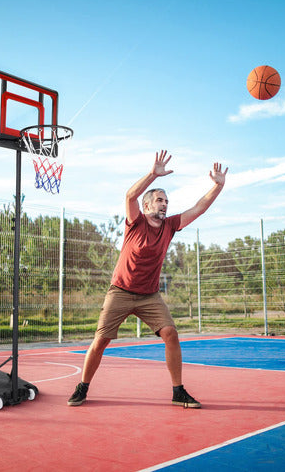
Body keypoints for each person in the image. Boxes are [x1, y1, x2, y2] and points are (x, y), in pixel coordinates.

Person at [68, 150, 228, 408]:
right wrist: (153, 174)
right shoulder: (135, 222)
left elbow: (199, 208)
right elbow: (129, 195)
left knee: (171, 334)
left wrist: (217, 186)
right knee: (101, 340)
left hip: (149, 296)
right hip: (120, 291)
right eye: (160, 200)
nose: (165, 204)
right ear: (147, 205)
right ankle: (82, 387)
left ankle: (178, 392)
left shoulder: (170, 225)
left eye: (166, 201)